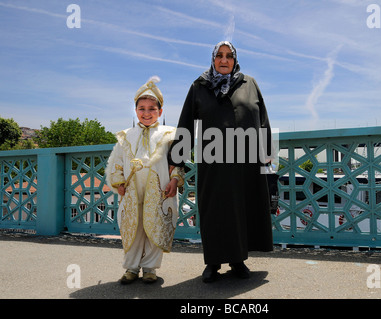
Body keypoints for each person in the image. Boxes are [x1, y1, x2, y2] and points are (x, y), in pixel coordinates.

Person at [170, 41, 274, 283]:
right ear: (213, 59)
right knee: (215, 212)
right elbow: (185, 124)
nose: (224, 60)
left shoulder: (250, 83)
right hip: (213, 162)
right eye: (219, 55)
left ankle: (238, 260)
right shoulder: (199, 86)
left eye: (229, 56)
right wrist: (177, 162)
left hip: (247, 162)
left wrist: (269, 160)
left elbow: (264, 123)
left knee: (243, 210)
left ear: (235, 60)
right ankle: (213, 263)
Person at [106, 76, 184, 284]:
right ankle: (131, 268)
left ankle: (150, 268)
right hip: (132, 189)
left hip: (159, 188)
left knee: (155, 225)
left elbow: (176, 162)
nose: (146, 113)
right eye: (142, 108)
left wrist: (174, 180)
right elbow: (118, 162)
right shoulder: (126, 136)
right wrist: (119, 182)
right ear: (135, 110)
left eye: (152, 108)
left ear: (160, 111)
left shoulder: (170, 133)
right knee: (133, 227)